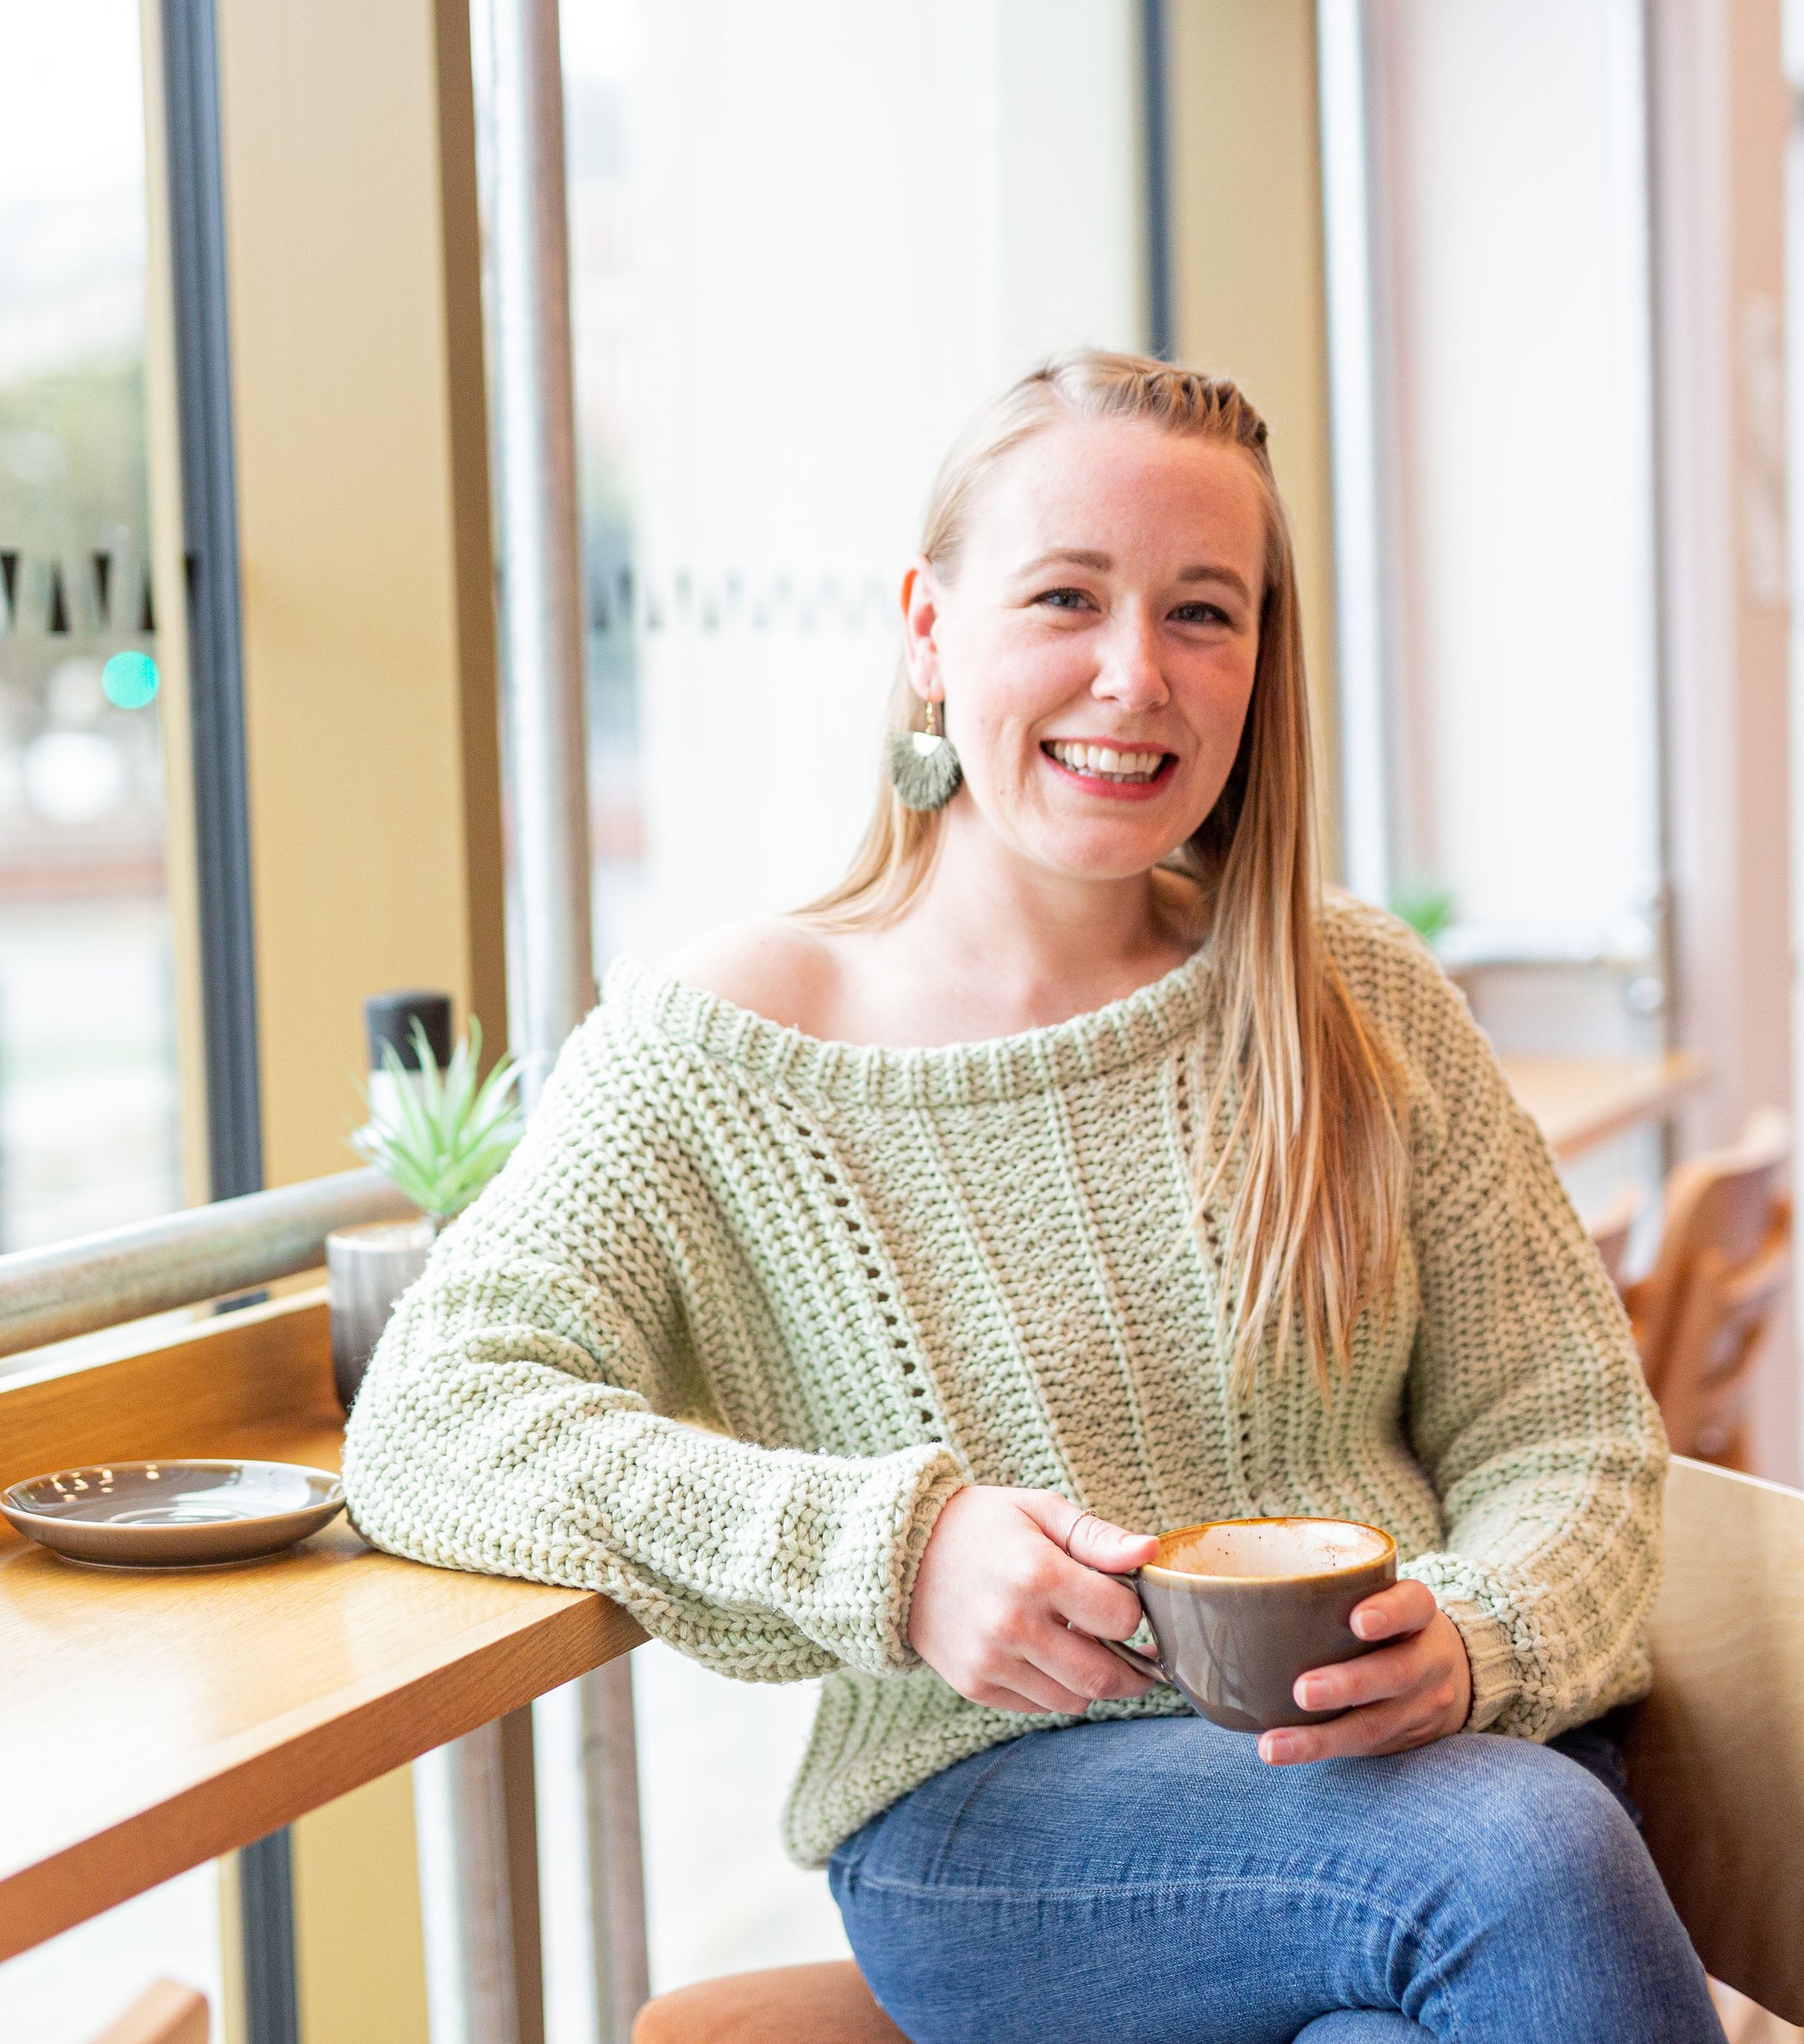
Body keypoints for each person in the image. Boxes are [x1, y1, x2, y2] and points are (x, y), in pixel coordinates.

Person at [344, 352, 1720, 2043]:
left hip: (1419, 1781)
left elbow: (1566, 1438)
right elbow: (435, 1413)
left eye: (1202, 613)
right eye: (1065, 596)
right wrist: (893, 1552)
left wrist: (1481, 1634)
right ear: (927, 627)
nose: (1132, 677)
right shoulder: (726, 1046)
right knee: (1518, 1856)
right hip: (1009, 1839)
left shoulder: (1349, 991)